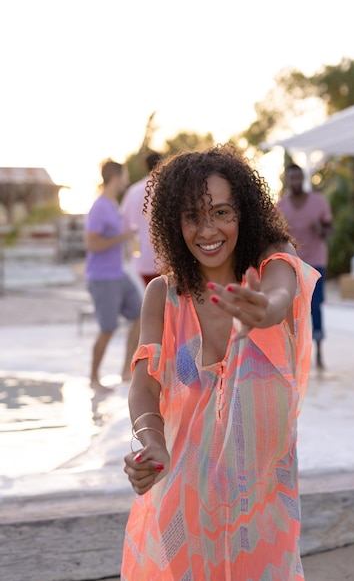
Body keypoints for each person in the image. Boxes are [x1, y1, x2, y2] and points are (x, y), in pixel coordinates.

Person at [121, 145, 319, 580]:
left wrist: (260, 309)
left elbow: (278, 298)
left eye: (222, 213)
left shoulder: (274, 265)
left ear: (243, 213)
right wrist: (151, 440)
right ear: (174, 222)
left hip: (263, 508)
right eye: (192, 216)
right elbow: (143, 384)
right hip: (184, 502)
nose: (207, 229)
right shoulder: (163, 297)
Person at [85, 159, 142, 393]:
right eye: (125, 175)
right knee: (107, 328)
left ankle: (126, 371)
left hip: (119, 274)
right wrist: (124, 237)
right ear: (117, 177)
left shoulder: (112, 205)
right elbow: (92, 244)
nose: (127, 180)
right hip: (102, 277)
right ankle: (93, 378)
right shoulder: (99, 207)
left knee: (141, 315)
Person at [278, 163, 333, 372]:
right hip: (292, 263)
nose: (296, 181)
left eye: (299, 177)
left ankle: (318, 353)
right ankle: (295, 352)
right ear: (287, 180)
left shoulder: (319, 203)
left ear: (303, 178)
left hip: (316, 261)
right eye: (292, 178)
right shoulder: (281, 205)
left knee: (315, 306)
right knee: (292, 307)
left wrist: (320, 229)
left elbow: (330, 229)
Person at [121, 151, 162, 286]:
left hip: (140, 261)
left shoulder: (133, 191)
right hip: (165, 260)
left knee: (149, 301)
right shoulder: (167, 188)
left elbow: (123, 225)